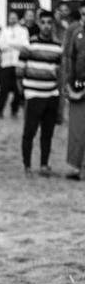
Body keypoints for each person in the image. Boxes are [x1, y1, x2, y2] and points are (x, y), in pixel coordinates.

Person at [17, 11, 64, 176]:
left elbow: (59, 72)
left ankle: (44, 164)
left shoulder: (58, 47)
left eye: (49, 23)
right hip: (33, 94)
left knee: (47, 133)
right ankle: (27, 165)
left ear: (53, 24)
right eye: (43, 22)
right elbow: (19, 72)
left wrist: (58, 94)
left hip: (51, 94)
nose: (46, 26)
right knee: (29, 132)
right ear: (38, 23)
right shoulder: (29, 44)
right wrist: (23, 94)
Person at [0, 10, 29, 119]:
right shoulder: (3, 31)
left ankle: (14, 110)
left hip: (18, 63)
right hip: (6, 63)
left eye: (14, 17)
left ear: (18, 18)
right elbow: (1, 46)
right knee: (3, 88)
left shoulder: (23, 30)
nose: (12, 19)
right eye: (10, 17)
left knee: (17, 89)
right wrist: (16, 45)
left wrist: (9, 44)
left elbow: (25, 46)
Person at [63, 17, 85, 181]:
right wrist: (68, 86)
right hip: (78, 88)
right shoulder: (75, 33)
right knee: (76, 130)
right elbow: (69, 60)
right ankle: (75, 167)